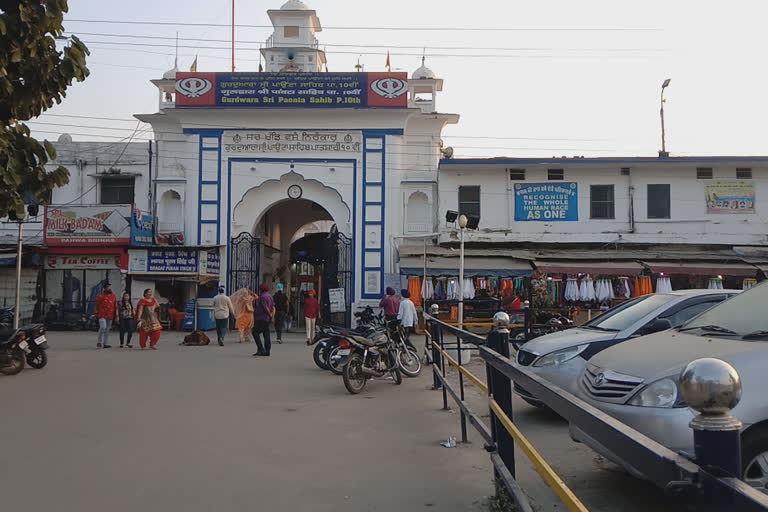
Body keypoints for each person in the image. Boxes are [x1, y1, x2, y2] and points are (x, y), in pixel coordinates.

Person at [94, 282, 118, 348]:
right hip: (101, 314)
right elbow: (96, 305)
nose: (110, 288)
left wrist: (117, 315)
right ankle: (99, 342)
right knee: (103, 327)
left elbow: (115, 306)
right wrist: (95, 313)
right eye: (108, 287)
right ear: (105, 288)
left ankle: (105, 343)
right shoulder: (100, 296)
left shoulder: (113, 296)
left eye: (110, 287)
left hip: (110, 315)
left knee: (107, 330)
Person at [252, 284, 275, 357]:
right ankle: (267, 350)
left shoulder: (263, 296)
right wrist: (272, 316)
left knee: (255, 332)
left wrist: (269, 314)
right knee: (266, 333)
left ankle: (260, 349)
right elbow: (273, 307)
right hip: (267, 318)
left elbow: (265, 307)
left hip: (261, 317)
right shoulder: (270, 296)